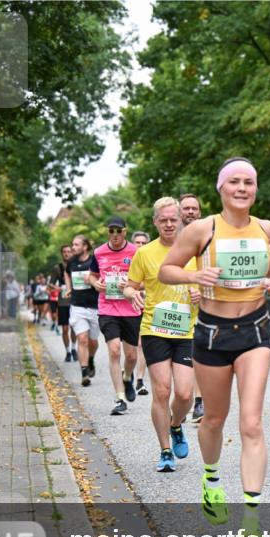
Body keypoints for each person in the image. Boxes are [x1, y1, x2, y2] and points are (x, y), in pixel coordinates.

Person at [160, 158, 270, 532]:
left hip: (256, 330)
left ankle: (251, 516)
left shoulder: (266, 228)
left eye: (249, 181)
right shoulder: (203, 229)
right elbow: (167, 269)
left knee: (251, 422)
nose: (243, 188)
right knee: (214, 419)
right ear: (221, 188)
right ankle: (212, 479)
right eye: (235, 181)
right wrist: (195, 274)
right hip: (213, 333)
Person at [124, 197, 196, 473]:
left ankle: (176, 424)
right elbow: (129, 286)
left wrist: (201, 293)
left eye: (172, 219)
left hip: (185, 330)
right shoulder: (145, 253)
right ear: (155, 221)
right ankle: (165, 450)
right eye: (163, 220)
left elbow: (207, 284)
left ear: (180, 220)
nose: (168, 224)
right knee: (162, 390)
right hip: (154, 328)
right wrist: (134, 294)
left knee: (185, 394)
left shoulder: (193, 251)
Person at [90, 217, 142, 416]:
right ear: (107, 232)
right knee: (113, 350)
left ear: (125, 231)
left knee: (131, 355)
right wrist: (96, 284)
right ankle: (120, 398)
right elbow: (92, 275)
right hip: (107, 308)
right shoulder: (99, 252)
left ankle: (127, 376)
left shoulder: (136, 252)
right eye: (111, 231)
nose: (115, 235)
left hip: (130, 309)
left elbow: (146, 280)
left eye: (118, 231)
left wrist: (131, 286)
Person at [179, 193, 206, 424]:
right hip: (173, 313)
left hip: (202, 312)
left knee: (197, 357)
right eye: (185, 208)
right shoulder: (171, 240)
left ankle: (199, 403)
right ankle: (178, 406)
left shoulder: (209, 239)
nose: (190, 212)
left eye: (193, 208)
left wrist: (204, 293)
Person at [65, 236, 100, 385]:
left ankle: (91, 359)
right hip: (77, 306)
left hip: (94, 306)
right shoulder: (71, 262)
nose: (73, 247)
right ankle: (84, 372)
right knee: (82, 339)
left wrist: (93, 279)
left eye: (76, 244)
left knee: (93, 341)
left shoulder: (94, 261)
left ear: (85, 247)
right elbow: (66, 273)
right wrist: (68, 288)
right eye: (73, 244)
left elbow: (102, 277)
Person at [131, 231, 151, 395]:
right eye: (138, 242)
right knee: (129, 348)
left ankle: (139, 380)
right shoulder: (126, 259)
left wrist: (137, 285)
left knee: (140, 344)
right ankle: (127, 373)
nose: (140, 246)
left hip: (145, 306)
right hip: (125, 309)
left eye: (144, 243)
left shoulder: (150, 259)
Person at [55, 245, 76, 361]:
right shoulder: (57, 268)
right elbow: (50, 284)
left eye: (69, 251)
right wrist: (58, 287)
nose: (67, 254)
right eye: (64, 252)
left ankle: (73, 348)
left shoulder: (76, 265)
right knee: (65, 329)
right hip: (63, 302)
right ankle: (67, 351)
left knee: (74, 328)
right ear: (62, 254)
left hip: (75, 301)